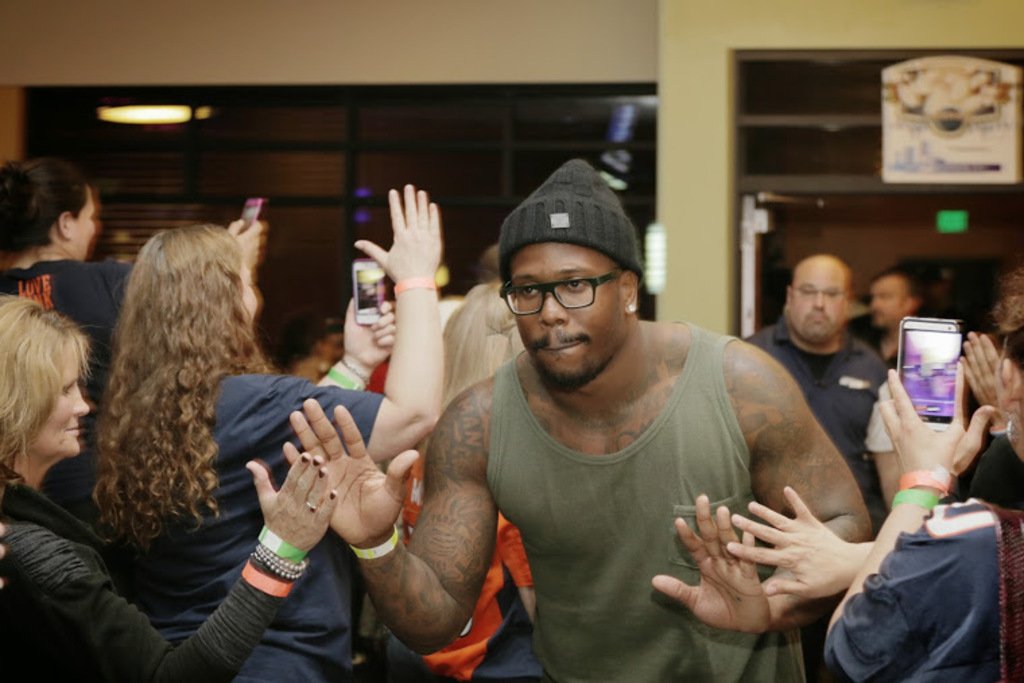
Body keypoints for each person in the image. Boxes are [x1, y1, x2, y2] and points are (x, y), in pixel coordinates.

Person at [288, 159, 871, 681]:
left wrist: (770, 605)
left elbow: (843, 525)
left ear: (628, 291)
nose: (549, 314)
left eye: (575, 286)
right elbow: (436, 622)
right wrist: (375, 545)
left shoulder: (740, 383)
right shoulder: (479, 422)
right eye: (529, 291)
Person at [94, 185, 443, 680]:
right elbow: (411, 416)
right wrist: (415, 282)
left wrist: (354, 363)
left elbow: (290, 438)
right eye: (247, 282)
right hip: (278, 661)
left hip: (184, 653)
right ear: (227, 303)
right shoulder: (252, 400)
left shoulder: (137, 408)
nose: (255, 295)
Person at [0, 295, 342, 680]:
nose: (83, 405)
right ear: (18, 403)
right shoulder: (32, 556)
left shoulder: (19, 506)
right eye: (65, 391)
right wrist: (281, 548)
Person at [0, 157, 264, 523]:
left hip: (10, 491)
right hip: (95, 490)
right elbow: (206, 333)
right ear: (65, 225)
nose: (96, 228)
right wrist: (232, 271)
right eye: (91, 218)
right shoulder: (113, 282)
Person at [387, 280, 541, 683]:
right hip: (497, 663)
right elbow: (540, 605)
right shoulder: (509, 460)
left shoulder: (418, 450)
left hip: (419, 652)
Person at [747, 255, 889, 534]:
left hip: (855, 534)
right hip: (771, 529)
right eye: (808, 292)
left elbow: (891, 468)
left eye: (832, 293)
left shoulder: (873, 368)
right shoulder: (752, 358)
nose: (819, 304)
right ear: (790, 296)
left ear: (848, 301)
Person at [856, 266, 924, 367]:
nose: (874, 305)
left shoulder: (927, 349)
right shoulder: (861, 341)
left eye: (884, 296)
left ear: (909, 303)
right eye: (873, 297)